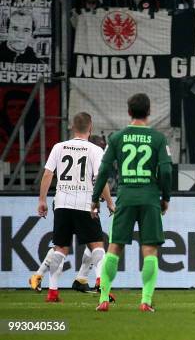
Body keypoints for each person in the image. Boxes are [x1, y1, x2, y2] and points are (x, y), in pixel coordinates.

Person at [92, 93, 173, 312]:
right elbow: (165, 170)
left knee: (114, 247)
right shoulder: (158, 139)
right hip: (149, 197)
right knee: (149, 250)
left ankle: (103, 299)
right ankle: (145, 301)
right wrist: (166, 197)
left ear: (129, 112)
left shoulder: (117, 138)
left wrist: (94, 198)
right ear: (149, 112)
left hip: (126, 196)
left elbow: (103, 171)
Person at [34, 112, 114, 303]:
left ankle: (53, 292)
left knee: (60, 247)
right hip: (86, 204)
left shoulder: (58, 147)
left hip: (61, 203)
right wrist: (110, 202)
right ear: (91, 127)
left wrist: (42, 200)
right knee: (97, 244)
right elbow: (100, 179)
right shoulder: (95, 150)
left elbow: (47, 174)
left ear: (71, 127)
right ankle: (103, 286)